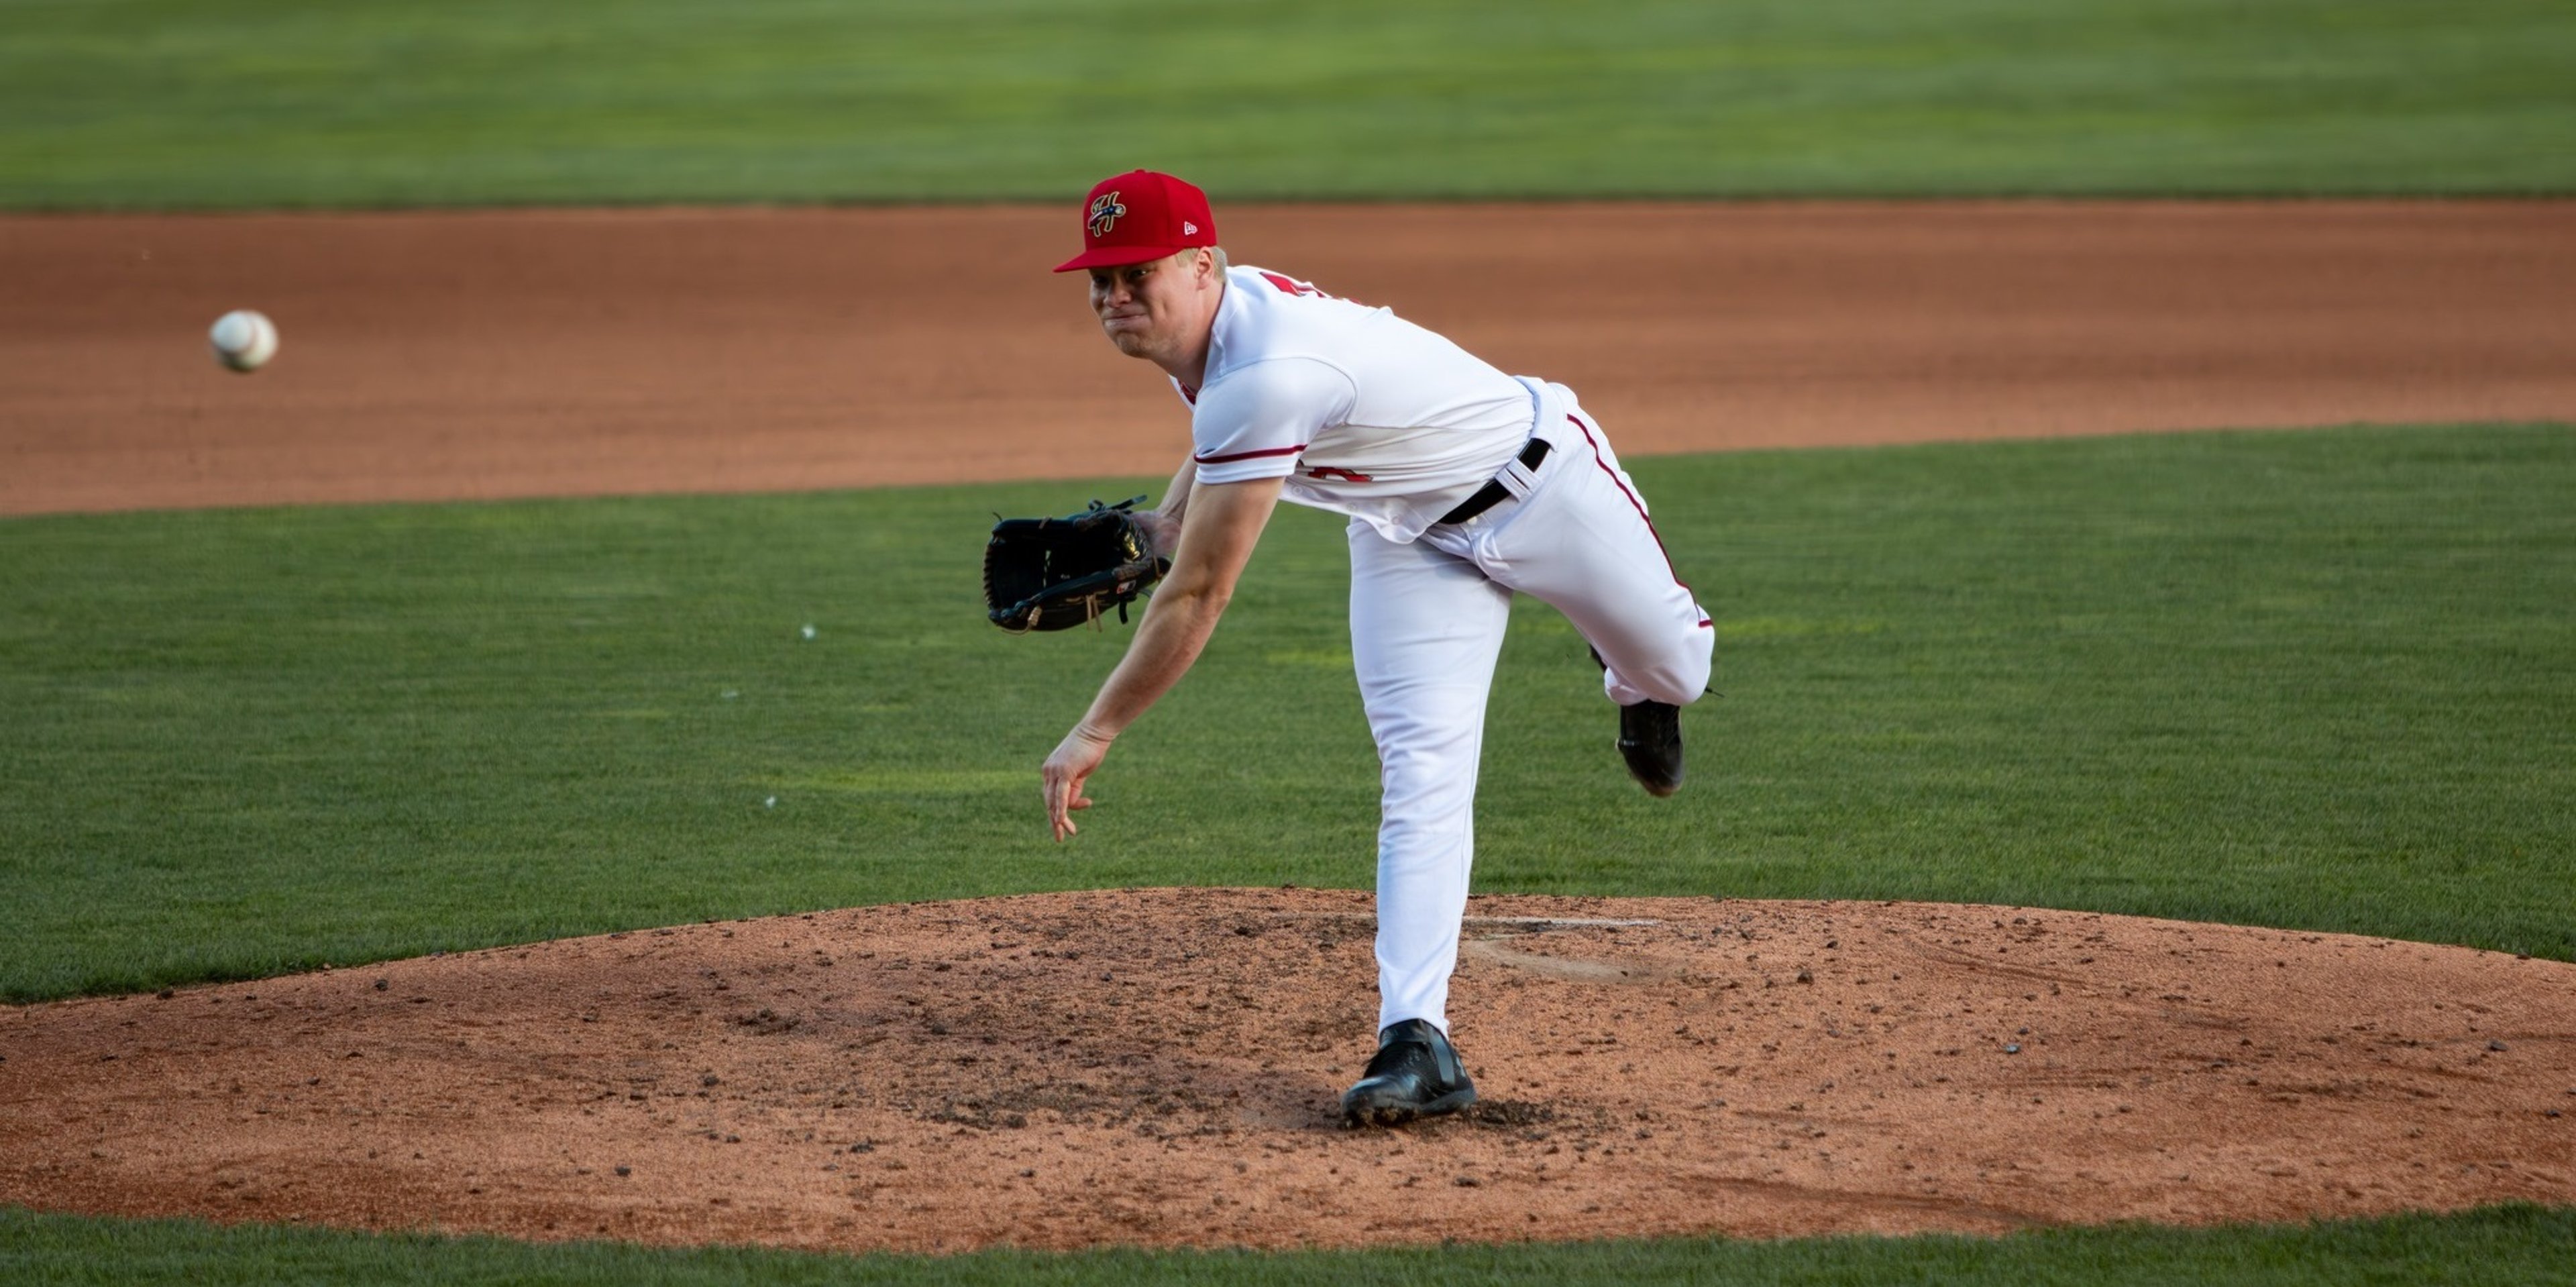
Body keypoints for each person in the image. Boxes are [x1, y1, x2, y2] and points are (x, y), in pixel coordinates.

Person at [1037, 170, 1713, 1125]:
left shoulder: (1267, 370)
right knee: (1421, 766)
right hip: (1407, 535)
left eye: (1135, 273)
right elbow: (1220, 430)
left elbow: (1200, 593)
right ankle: (1416, 1038)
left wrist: (1097, 727)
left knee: (1678, 664)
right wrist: (1167, 521)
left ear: (1201, 266)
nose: (1114, 296)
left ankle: (1639, 687)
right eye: (1100, 279)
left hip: (1543, 485)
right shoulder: (1225, 336)